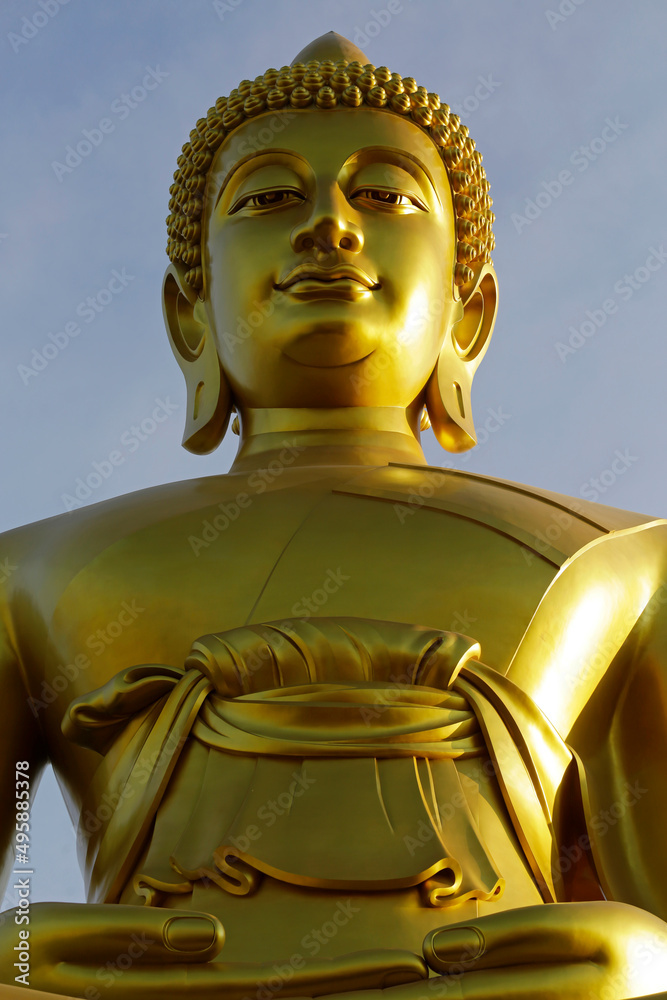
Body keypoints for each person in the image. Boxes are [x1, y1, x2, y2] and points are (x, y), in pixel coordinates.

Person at [1, 30, 667, 1000]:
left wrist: (643, 961)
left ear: (467, 313)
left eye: (384, 197)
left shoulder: (631, 562)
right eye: (268, 198)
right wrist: (16, 959)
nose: (331, 228)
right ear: (190, 314)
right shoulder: (27, 574)